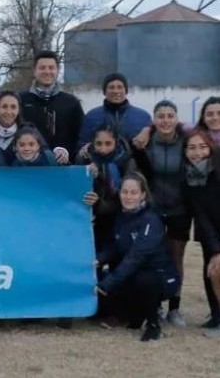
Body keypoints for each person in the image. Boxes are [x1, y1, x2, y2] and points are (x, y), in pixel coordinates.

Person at [94, 173, 181, 342]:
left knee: (144, 280)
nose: (128, 197)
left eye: (133, 192)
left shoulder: (151, 219)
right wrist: (99, 259)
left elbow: (136, 256)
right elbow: (114, 244)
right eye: (124, 192)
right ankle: (134, 315)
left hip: (160, 277)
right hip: (132, 275)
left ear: (143, 195)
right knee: (102, 306)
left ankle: (153, 323)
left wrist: (107, 284)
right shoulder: (121, 216)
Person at [131, 101, 189, 327]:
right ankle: (154, 305)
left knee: (176, 259)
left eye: (170, 116)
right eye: (161, 116)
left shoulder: (186, 141)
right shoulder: (145, 142)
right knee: (152, 257)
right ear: (153, 120)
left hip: (179, 209)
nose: (165, 120)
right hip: (152, 209)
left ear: (176, 119)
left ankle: (175, 308)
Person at [181, 130, 220, 332]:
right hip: (209, 231)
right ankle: (216, 316)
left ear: (210, 148)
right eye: (192, 147)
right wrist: (215, 249)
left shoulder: (217, 169)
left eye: (202, 147)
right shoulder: (188, 177)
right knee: (210, 271)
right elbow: (200, 215)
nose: (197, 152)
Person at [19, 51, 83, 164]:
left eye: (51, 68)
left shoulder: (71, 102)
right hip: (27, 168)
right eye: (42, 68)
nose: (47, 71)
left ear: (57, 70)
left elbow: (80, 137)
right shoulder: (20, 100)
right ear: (34, 71)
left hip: (63, 168)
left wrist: (68, 153)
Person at [79, 124, 135, 253]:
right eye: (99, 144)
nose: (103, 149)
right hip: (93, 219)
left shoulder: (126, 161)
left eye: (108, 143)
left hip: (120, 217)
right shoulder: (84, 158)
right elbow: (80, 189)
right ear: (92, 143)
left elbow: (127, 193)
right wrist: (88, 175)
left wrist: (100, 175)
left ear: (116, 142)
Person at [78, 73, 151, 148]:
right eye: (111, 87)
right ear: (104, 91)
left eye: (120, 87)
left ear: (126, 91)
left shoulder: (143, 117)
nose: (116, 91)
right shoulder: (92, 116)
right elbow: (82, 146)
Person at [0, 91, 26, 164]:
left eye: (13, 107)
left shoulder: (28, 131)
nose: (8, 112)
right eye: (4, 107)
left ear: (19, 110)